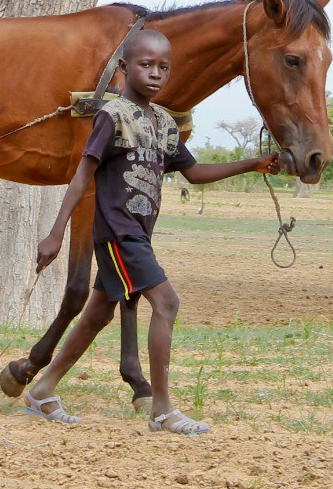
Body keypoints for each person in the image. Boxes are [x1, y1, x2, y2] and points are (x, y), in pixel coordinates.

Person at [22, 29, 279, 435]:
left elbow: (194, 173)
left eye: (163, 67)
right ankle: (161, 409)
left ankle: (42, 390)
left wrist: (252, 163)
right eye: (146, 65)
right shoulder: (113, 115)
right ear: (123, 69)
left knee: (97, 315)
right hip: (118, 233)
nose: (156, 73)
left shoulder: (163, 123)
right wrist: (55, 233)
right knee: (166, 302)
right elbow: (82, 174)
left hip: (138, 235)